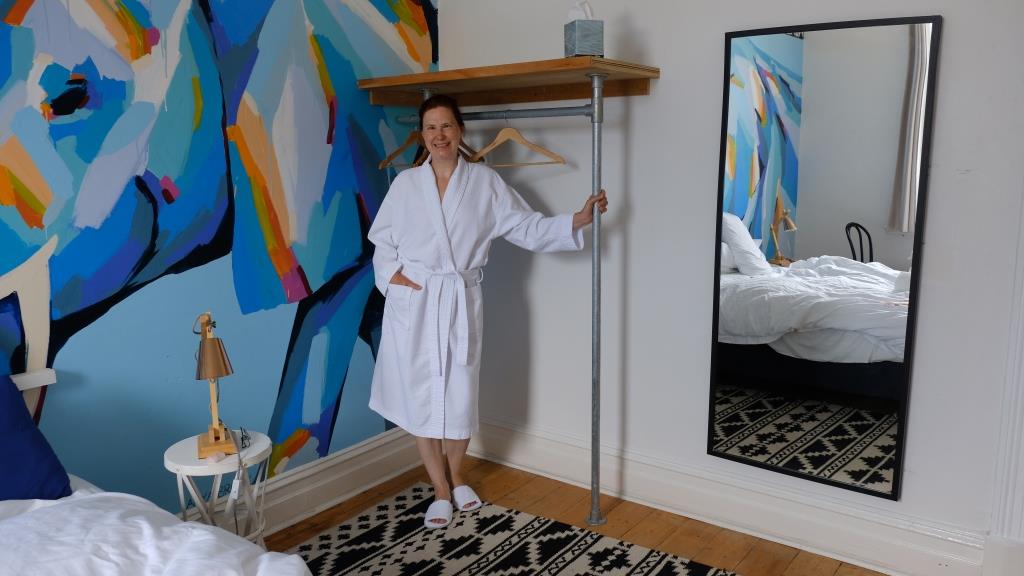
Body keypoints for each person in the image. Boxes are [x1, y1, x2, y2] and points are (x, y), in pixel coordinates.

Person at [367, 94, 608, 529]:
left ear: (460, 130)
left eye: (446, 126)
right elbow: (381, 242)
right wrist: (392, 278)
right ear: (422, 135)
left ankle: (458, 476)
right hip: (417, 302)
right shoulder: (405, 185)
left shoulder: (484, 182)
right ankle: (440, 488)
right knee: (422, 396)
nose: (439, 135)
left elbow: (525, 226)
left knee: (459, 395)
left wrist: (576, 220)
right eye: (430, 128)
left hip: (459, 299)